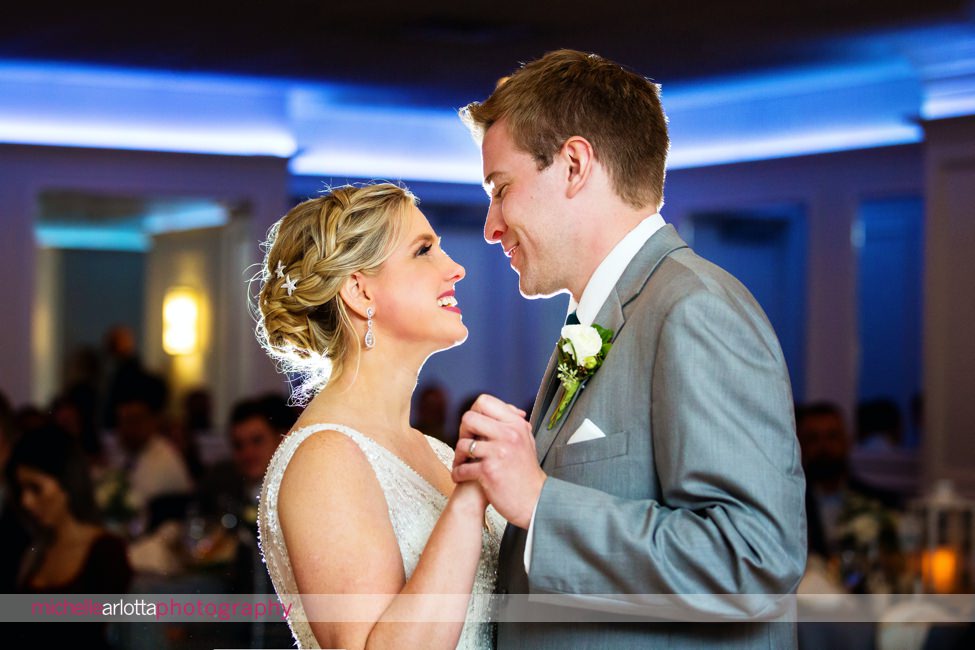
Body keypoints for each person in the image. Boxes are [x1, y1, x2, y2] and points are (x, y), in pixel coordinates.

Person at [452, 49, 806, 648]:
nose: (491, 225)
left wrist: (540, 502)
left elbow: (753, 558)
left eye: (501, 189)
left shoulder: (695, 309)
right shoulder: (599, 320)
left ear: (573, 165)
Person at [255, 183, 506, 649]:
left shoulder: (433, 450)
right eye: (423, 251)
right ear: (359, 289)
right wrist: (471, 499)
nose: (455, 268)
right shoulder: (324, 459)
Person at [6, 425, 132, 648]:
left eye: (36, 489)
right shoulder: (35, 550)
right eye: (21, 490)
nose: (26, 501)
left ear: (66, 483)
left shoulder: (105, 552)